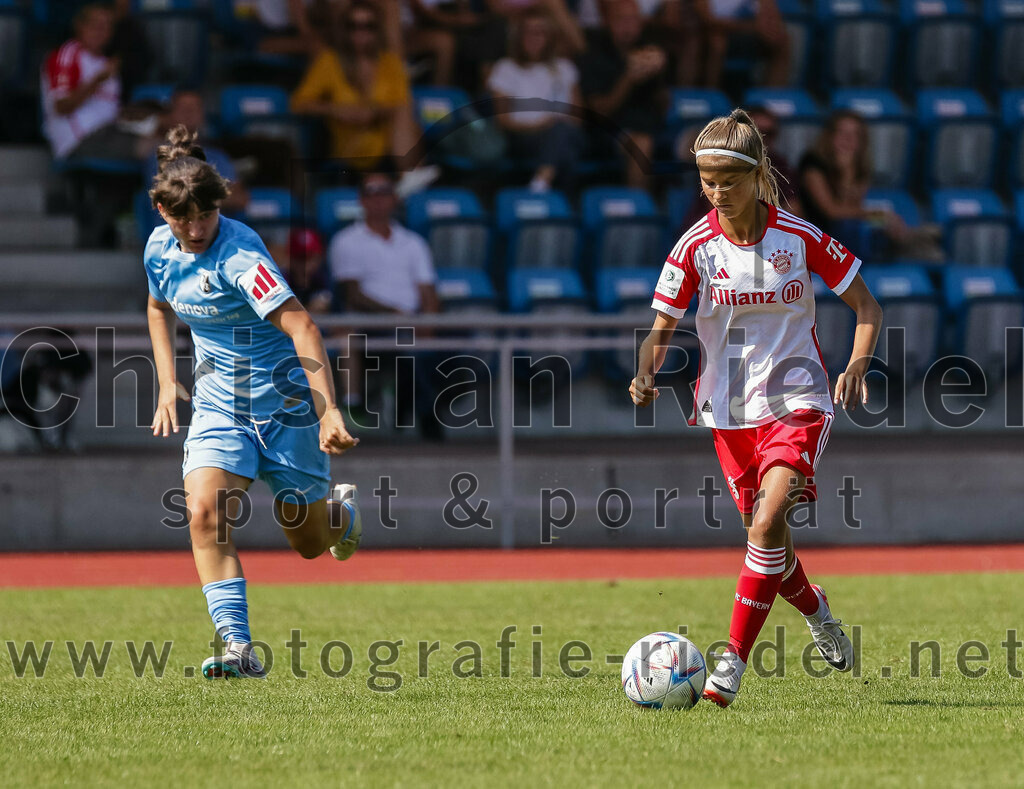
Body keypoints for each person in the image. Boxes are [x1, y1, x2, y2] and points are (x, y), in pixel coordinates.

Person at [630, 109, 883, 707]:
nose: (717, 192)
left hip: (799, 400)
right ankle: (817, 611)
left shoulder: (799, 237)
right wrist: (644, 372)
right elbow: (661, 327)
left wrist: (856, 364)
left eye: (729, 181)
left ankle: (730, 666)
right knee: (770, 543)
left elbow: (868, 308)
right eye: (708, 181)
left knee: (767, 526)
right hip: (728, 411)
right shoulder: (695, 247)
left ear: (757, 174)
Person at [145, 126, 362, 679]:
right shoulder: (158, 250)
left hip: (286, 411)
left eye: (206, 217)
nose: (197, 230)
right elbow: (157, 307)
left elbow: (304, 327)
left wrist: (328, 411)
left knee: (309, 544)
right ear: (162, 210)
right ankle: (239, 648)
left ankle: (341, 516)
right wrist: (167, 381)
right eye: (184, 219)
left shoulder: (242, 257)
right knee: (204, 513)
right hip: (220, 409)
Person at [328, 170, 443, 439]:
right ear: (362, 200)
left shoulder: (413, 242)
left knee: (468, 346)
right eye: (372, 192)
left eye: (385, 192)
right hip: (371, 325)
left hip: (412, 322)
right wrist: (396, 315)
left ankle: (411, 411)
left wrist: (428, 322)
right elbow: (352, 294)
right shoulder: (346, 240)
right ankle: (426, 420)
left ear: (395, 199)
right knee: (410, 351)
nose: (378, 199)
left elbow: (428, 291)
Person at [290, 0, 419, 170]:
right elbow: (298, 103)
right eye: (353, 26)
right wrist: (336, 110)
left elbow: (402, 102)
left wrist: (373, 112)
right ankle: (408, 175)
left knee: (404, 111)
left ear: (378, 30)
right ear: (344, 29)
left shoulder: (390, 63)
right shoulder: (329, 61)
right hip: (347, 147)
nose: (360, 32)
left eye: (368, 26)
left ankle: (408, 175)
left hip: (386, 148)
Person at [799, 110, 942, 259]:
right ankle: (914, 240)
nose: (848, 139)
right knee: (876, 223)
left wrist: (885, 219)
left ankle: (912, 238)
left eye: (854, 134)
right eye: (842, 133)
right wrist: (879, 215)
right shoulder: (812, 164)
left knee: (884, 225)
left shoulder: (860, 167)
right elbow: (831, 211)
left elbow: (852, 208)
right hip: (814, 238)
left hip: (846, 234)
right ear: (829, 136)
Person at [487, 8, 584, 192]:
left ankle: (540, 185)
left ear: (550, 36)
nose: (534, 37)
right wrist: (539, 125)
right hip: (523, 136)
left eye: (540, 32)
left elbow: (578, 117)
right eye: (528, 32)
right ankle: (558, 197)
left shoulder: (565, 67)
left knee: (562, 132)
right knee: (566, 151)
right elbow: (502, 120)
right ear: (518, 36)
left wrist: (554, 124)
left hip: (563, 132)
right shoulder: (505, 68)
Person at [578, 0, 668, 189]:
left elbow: (665, 103)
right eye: (621, 19)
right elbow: (600, 111)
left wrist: (660, 74)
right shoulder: (593, 54)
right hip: (608, 130)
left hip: (650, 125)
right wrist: (628, 79)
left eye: (633, 20)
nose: (628, 26)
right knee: (641, 144)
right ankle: (638, 204)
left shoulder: (650, 48)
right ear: (608, 21)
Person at [143, 89, 249, 216]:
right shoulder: (160, 155)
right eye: (182, 108)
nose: (189, 112)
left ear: (203, 115)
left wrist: (197, 196)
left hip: (219, 227)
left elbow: (240, 199)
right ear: (170, 115)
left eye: (194, 108)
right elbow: (177, 200)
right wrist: (217, 197)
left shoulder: (218, 156)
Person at [693, 0, 789, 89]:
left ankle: (772, 96)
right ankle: (710, 94)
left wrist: (769, 27)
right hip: (716, 32)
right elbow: (707, 19)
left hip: (750, 34)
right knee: (717, 43)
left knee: (781, 40)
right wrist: (749, 27)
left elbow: (770, 13)